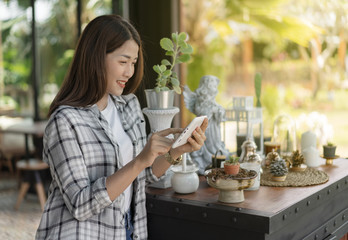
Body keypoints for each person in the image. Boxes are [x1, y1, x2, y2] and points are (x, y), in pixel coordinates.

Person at [35, 14, 208, 240]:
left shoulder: (129, 106)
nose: (129, 72)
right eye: (123, 62)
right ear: (96, 58)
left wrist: (176, 151)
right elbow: (80, 204)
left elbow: (141, 176)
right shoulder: (65, 121)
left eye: (133, 63)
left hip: (126, 229)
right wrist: (139, 160)